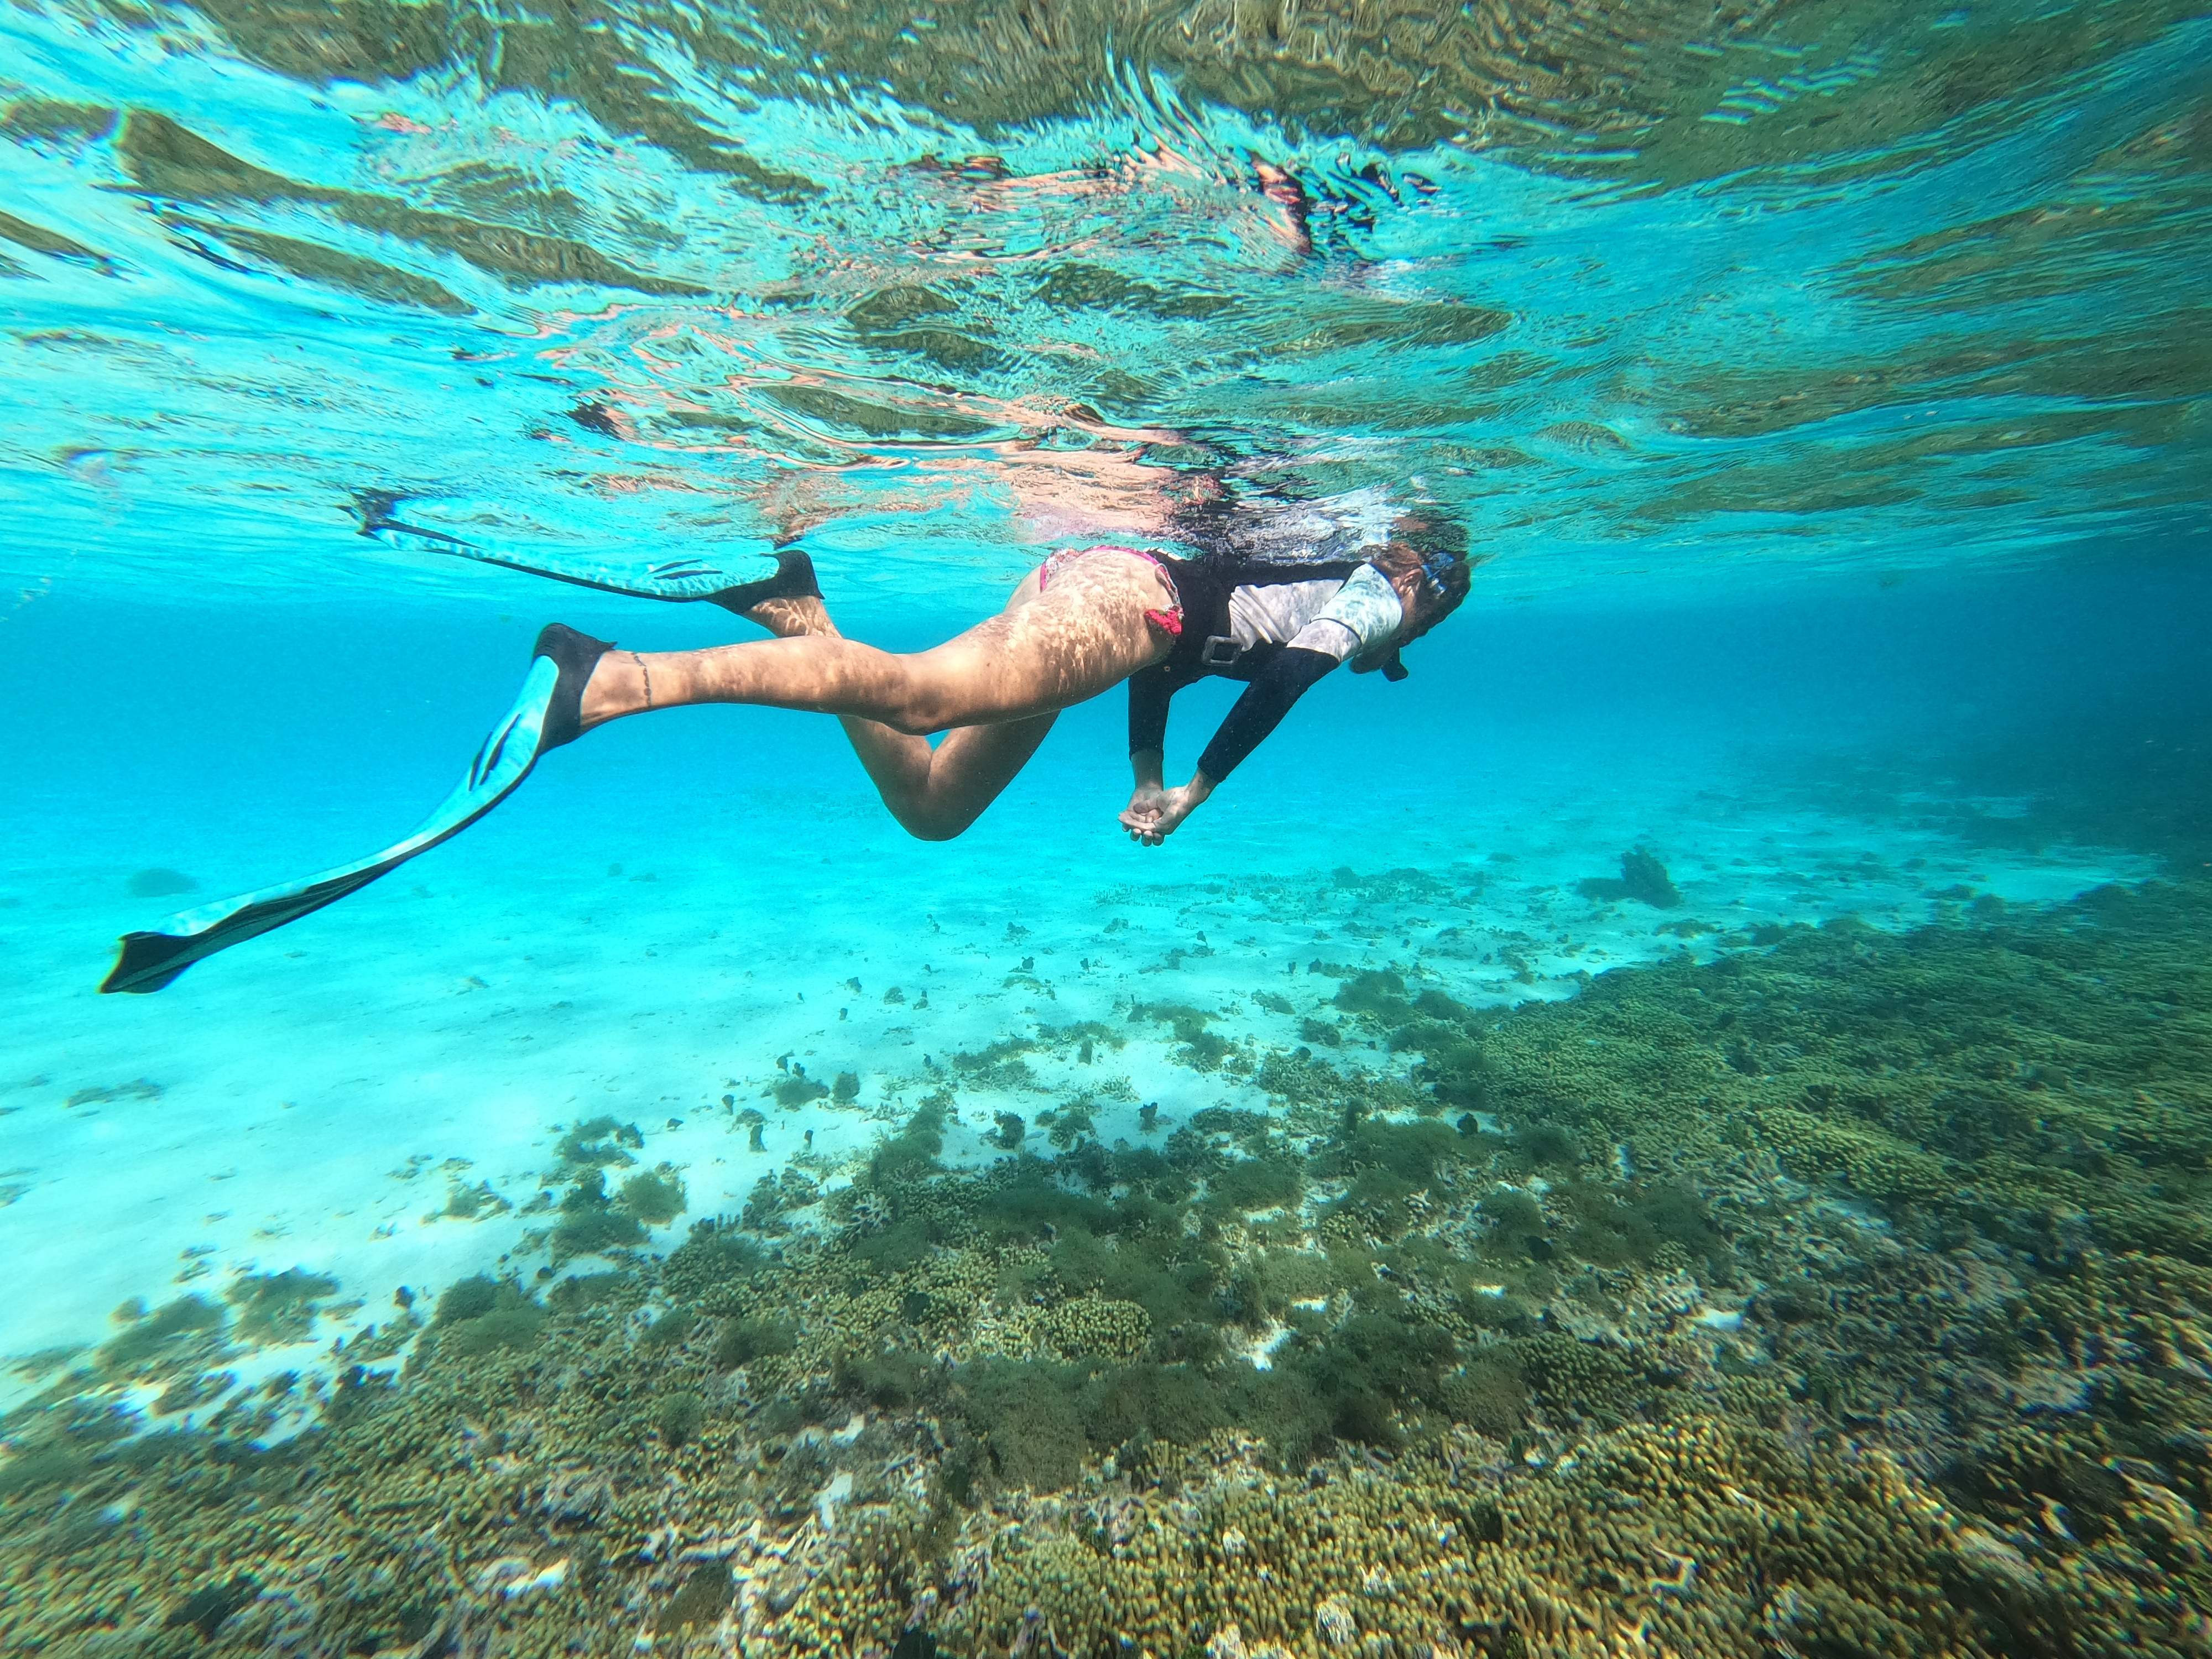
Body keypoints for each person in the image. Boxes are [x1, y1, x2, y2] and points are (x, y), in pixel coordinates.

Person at [98, 491, 1473, 994]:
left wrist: (1142, 779)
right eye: (1419, 585)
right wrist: (1200, 793)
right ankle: (606, 679)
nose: (1405, 604)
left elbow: (1184, 668)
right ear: (1410, 571)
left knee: (933, 806)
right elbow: (1274, 681)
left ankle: (794, 610)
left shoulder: (1336, 598)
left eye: (1421, 596)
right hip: (1128, 592)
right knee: (932, 695)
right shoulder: (1350, 606)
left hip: (1131, 611)